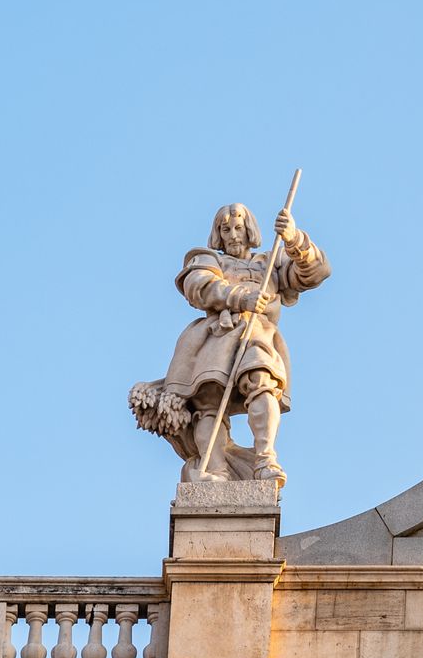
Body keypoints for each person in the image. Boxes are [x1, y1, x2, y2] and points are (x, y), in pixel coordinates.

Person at [129, 202, 331, 485]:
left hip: (257, 334)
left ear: (249, 231)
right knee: (208, 404)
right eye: (226, 230)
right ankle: (216, 469)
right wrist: (239, 297)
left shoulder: (269, 263)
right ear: (218, 235)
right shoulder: (211, 260)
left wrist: (294, 238)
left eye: (238, 228)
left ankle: (265, 459)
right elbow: (198, 286)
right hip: (216, 337)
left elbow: (315, 272)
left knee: (263, 384)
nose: (233, 235)